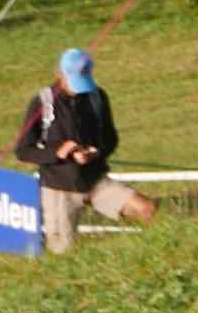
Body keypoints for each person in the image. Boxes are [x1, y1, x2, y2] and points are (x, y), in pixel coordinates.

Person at [13, 46, 158, 256]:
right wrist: (58, 152)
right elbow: (23, 151)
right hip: (58, 188)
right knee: (63, 254)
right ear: (59, 74)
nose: (79, 89)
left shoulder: (97, 96)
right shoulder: (42, 102)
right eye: (73, 82)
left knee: (147, 210)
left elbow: (111, 138)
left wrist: (97, 153)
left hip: (95, 180)